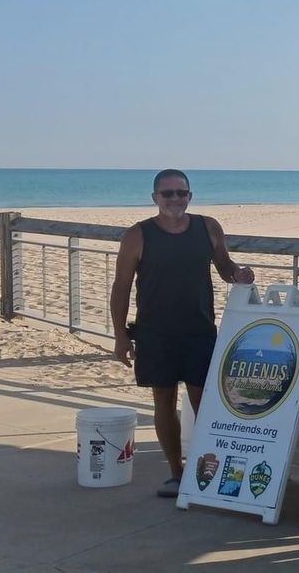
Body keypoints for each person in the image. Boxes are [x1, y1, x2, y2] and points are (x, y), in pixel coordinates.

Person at [110, 169, 255, 498]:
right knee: (163, 399)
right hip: (154, 333)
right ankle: (176, 473)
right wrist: (121, 335)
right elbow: (121, 288)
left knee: (204, 400)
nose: (175, 199)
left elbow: (224, 266)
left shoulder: (208, 227)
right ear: (155, 198)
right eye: (167, 193)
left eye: (181, 193)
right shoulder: (137, 235)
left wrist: (239, 273)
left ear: (190, 196)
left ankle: (207, 469)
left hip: (199, 329)